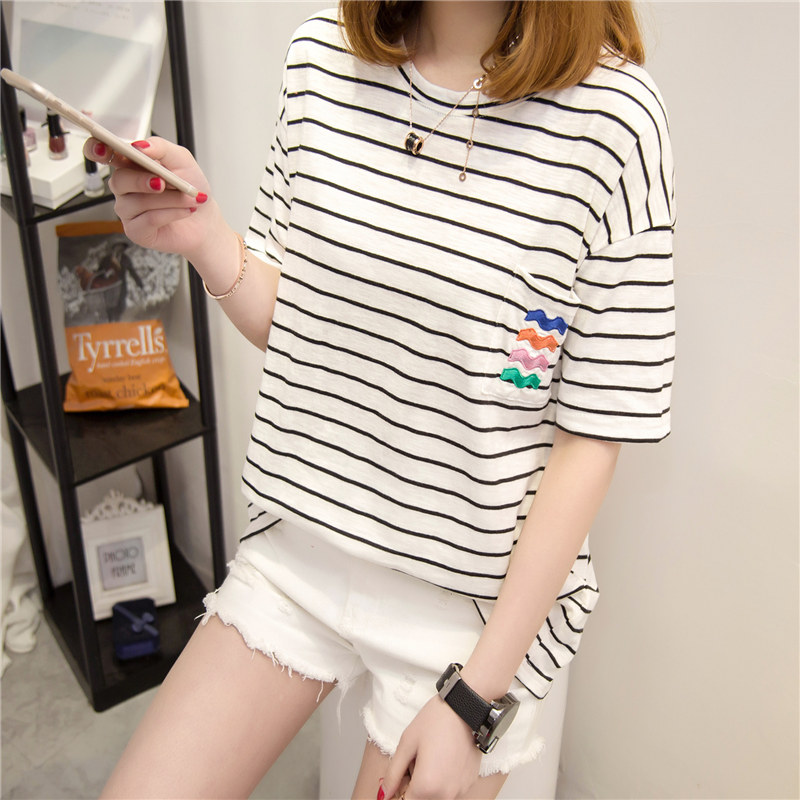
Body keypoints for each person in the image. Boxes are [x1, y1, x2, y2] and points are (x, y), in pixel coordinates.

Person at [87, 2, 675, 798]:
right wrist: (205, 236)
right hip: (301, 546)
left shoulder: (613, 120)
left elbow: (591, 438)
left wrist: (474, 699)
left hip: (469, 607)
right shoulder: (321, 59)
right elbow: (303, 326)